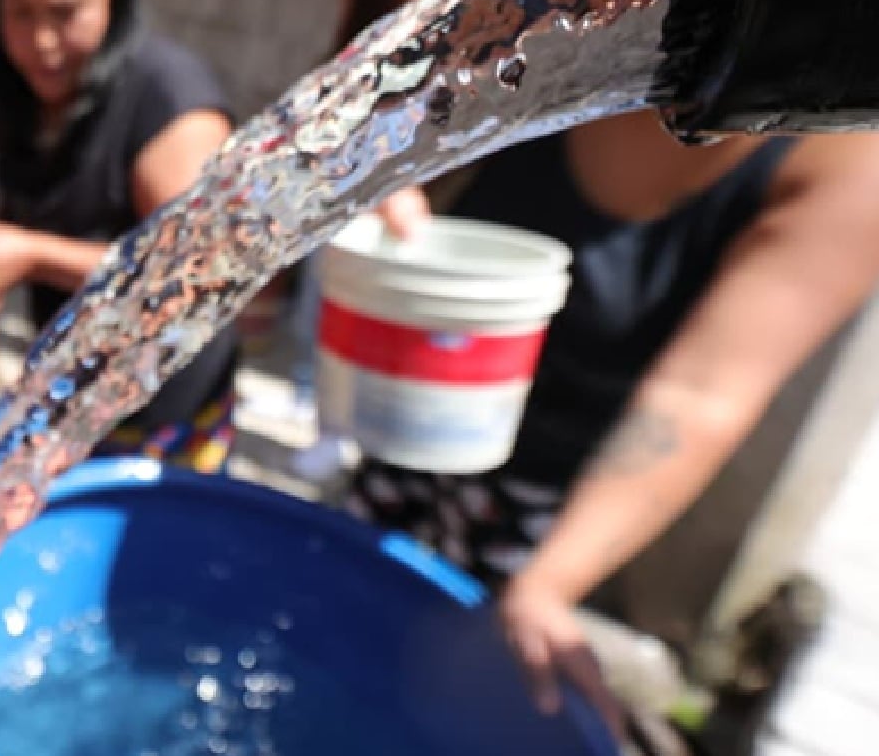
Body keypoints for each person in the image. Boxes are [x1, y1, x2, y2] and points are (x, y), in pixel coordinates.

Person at [351, 99, 879, 719]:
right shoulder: (561, 28)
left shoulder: (848, 157)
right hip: (404, 433)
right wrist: (378, 184)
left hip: (546, 510)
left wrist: (548, 586)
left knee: (448, 698)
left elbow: (702, 395)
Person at [0, 0, 240, 473]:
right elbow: (38, 207)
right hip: (72, 395)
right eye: (20, 14)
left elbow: (203, 271)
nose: (42, 43)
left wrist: (31, 255)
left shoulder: (168, 101)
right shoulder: (19, 89)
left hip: (162, 412)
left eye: (66, 13)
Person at [274, 0, 441, 480]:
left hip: (360, 224)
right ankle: (327, 420)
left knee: (332, 328)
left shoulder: (365, 54)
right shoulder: (419, 46)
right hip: (381, 223)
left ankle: (330, 427)